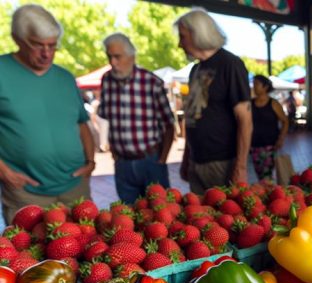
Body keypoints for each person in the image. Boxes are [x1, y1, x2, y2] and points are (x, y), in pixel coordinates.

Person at [0, 4, 95, 223]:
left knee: (86, 248)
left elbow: (82, 124)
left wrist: (90, 162)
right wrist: (4, 172)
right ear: (18, 39)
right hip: (25, 192)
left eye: (52, 46)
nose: (46, 53)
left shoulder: (65, 77)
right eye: (37, 45)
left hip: (75, 186)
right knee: (31, 256)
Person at [175, 8, 252, 194]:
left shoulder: (230, 64)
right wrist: (187, 158)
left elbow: (245, 120)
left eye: (182, 36)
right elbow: (193, 117)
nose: (179, 44)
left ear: (197, 34)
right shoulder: (195, 70)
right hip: (196, 162)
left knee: (224, 220)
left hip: (223, 163)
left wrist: (240, 167)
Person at [98, 33, 175, 204]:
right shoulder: (106, 81)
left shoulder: (151, 82)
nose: (112, 62)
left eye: (117, 57)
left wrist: (162, 159)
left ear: (131, 56)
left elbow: (169, 124)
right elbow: (106, 117)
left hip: (151, 161)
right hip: (122, 164)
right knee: (128, 218)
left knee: (161, 214)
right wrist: (113, 152)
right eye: (109, 56)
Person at [250, 75, 288, 180]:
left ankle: (268, 194)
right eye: (253, 84)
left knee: (267, 176)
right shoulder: (250, 103)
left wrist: (281, 139)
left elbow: (285, 121)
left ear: (265, 87)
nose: (254, 86)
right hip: (254, 146)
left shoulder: (273, 103)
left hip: (270, 145)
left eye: (257, 84)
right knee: (260, 175)